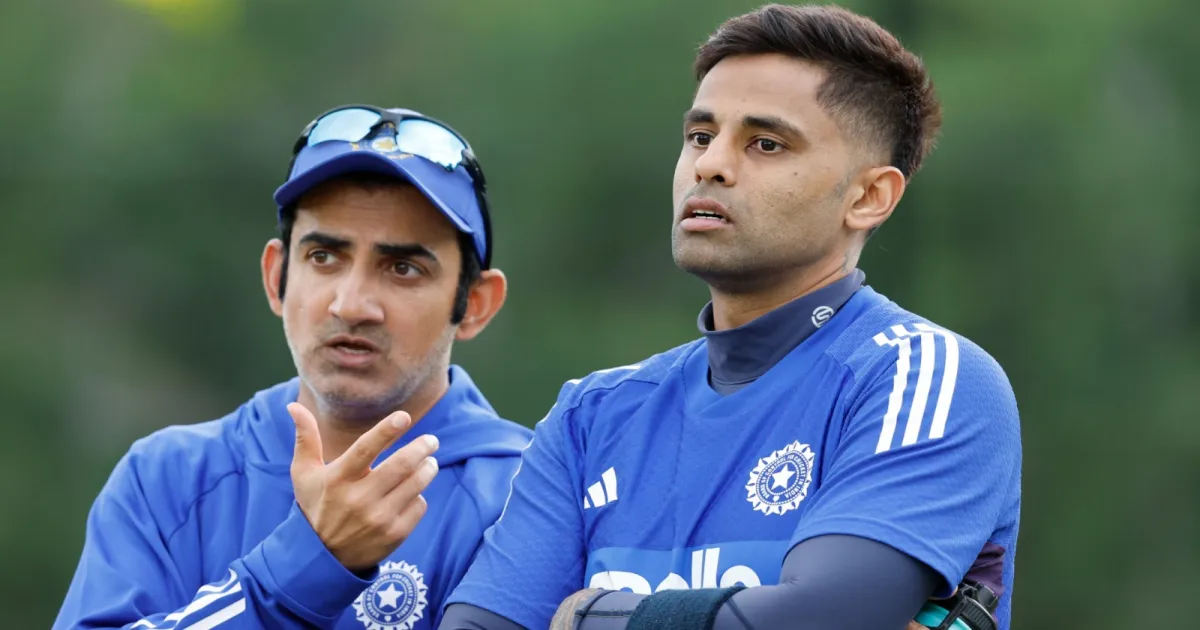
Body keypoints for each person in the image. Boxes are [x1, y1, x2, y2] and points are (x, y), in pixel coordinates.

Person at [441, 5, 1020, 630]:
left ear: (868, 197)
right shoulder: (591, 415)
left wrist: (592, 618)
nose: (709, 165)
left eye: (766, 144)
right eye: (700, 136)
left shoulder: (923, 375)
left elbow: (825, 617)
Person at [54, 105, 532, 630]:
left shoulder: (531, 496)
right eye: (324, 257)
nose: (351, 305)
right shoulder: (168, 479)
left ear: (476, 304)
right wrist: (302, 569)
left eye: (403, 268)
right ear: (276, 276)